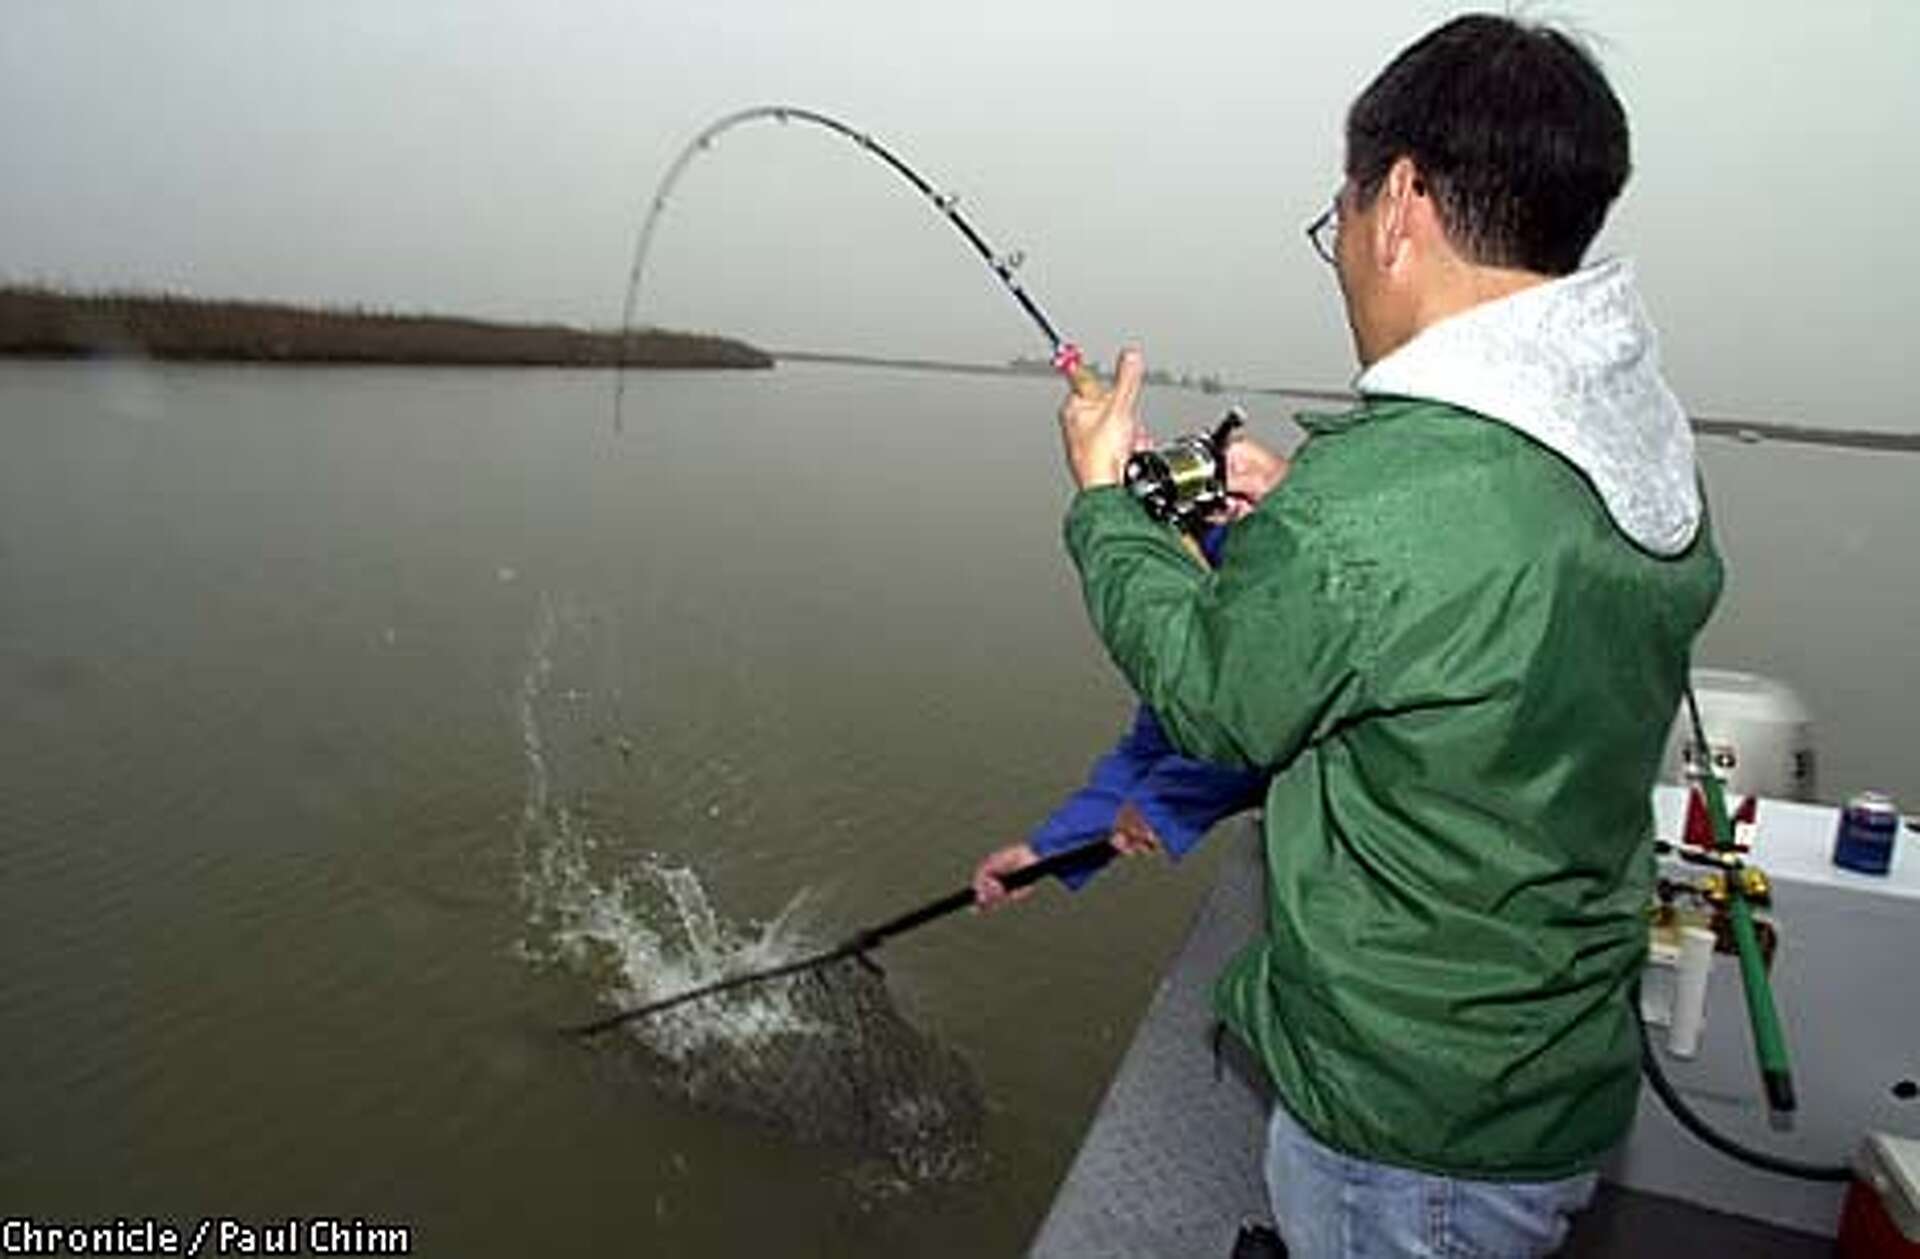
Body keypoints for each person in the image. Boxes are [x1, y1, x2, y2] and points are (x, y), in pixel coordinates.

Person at [976, 13, 1724, 1258]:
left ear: (1400, 203)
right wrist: (1299, 528)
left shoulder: (1381, 507)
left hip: (1410, 1127)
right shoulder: (1631, 449)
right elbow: (1471, 649)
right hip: (1541, 1076)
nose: (1340, 259)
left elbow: (1218, 701)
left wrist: (1106, 499)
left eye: (1339, 218)